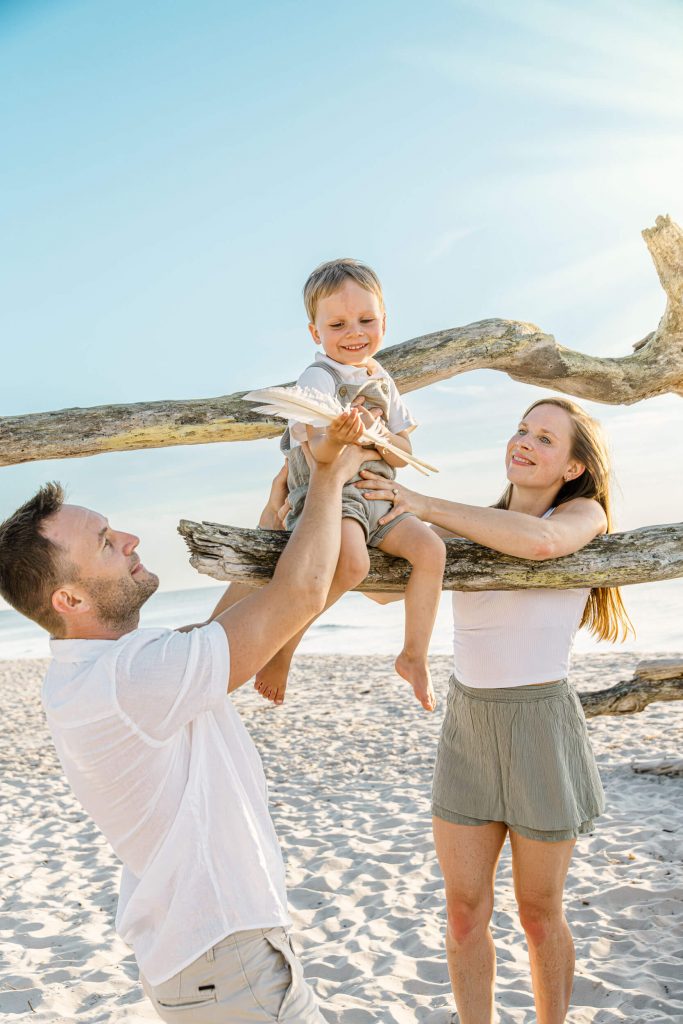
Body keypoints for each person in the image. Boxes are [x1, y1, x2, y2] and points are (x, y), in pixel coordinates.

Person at [0, 442, 371, 1024]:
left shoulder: (92, 672)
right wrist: (328, 476)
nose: (130, 540)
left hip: (206, 961)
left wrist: (270, 522)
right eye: (105, 542)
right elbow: (300, 593)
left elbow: (217, 634)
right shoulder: (130, 678)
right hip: (229, 962)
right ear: (68, 599)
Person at [356, 396, 632, 1024]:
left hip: (540, 724)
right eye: (521, 430)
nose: (524, 442)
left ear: (571, 467)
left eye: (544, 438)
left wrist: (422, 504)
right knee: (462, 911)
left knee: (538, 913)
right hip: (468, 724)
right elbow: (379, 592)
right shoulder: (466, 523)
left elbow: (540, 543)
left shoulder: (582, 512)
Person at [254, 257, 446, 711]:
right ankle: (283, 649)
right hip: (330, 494)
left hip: (378, 493)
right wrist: (343, 437)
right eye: (337, 324)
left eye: (366, 320)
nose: (354, 332)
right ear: (315, 333)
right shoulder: (317, 379)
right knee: (353, 564)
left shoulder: (381, 378)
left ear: (385, 320)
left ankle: (414, 656)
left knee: (432, 550)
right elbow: (319, 454)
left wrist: (379, 438)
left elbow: (404, 453)